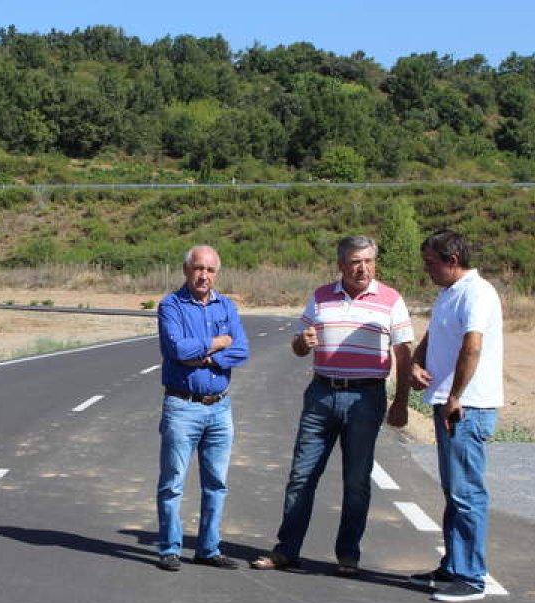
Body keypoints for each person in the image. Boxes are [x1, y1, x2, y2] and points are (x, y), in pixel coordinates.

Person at [251, 236, 412, 575]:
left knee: (356, 479)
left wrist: (401, 402)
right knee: (302, 475)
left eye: (368, 261)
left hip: (367, 398)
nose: (362, 268)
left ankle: (348, 554)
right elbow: (298, 347)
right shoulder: (320, 297)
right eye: (355, 261)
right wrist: (301, 342)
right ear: (341, 264)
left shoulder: (391, 300)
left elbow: (403, 353)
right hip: (321, 395)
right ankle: (287, 550)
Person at [408, 229, 504, 602]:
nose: (427, 270)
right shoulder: (448, 294)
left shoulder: (477, 294)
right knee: (454, 490)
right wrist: (417, 363)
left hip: (467, 406)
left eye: (431, 263)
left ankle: (471, 576)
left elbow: (472, 346)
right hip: (451, 402)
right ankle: (453, 565)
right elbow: (434, 338)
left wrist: (455, 395)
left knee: (466, 492)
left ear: (451, 261)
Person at [155, 245, 250, 571]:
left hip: (220, 408)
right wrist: (219, 342)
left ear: (217, 273)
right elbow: (177, 348)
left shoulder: (227, 306)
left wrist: (209, 355)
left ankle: (208, 548)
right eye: (198, 268)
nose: (203, 275)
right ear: (186, 270)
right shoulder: (171, 305)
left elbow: (242, 349)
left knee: (216, 483)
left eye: (210, 270)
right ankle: (169, 547)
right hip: (182, 406)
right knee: (172, 483)